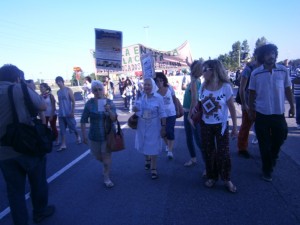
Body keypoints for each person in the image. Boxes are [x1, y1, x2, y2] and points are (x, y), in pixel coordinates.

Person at [0, 64, 55, 225]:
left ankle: (20, 221)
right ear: (17, 78)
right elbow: (42, 106)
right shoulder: (18, 89)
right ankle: (40, 211)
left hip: (3, 152)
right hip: (27, 146)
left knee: (14, 190)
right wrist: (28, 88)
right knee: (37, 182)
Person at [248, 43, 295, 182]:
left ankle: (273, 156)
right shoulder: (256, 73)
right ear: (263, 56)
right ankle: (267, 169)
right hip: (262, 113)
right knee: (264, 143)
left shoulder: (283, 71)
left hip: (278, 113)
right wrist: (251, 109)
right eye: (268, 54)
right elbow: (251, 93)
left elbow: (288, 89)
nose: (271, 56)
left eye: (273, 53)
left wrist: (292, 106)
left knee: (281, 137)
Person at [197, 59, 238, 193]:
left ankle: (226, 179)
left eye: (205, 70)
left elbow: (231, 107)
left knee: (223, 153)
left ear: (213, 70)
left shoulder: (226, 87)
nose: (202, 73)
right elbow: (200, 104)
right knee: (209, 152)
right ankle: (212, 176)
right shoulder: (203, 85)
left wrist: (235, 127)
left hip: (221, 125)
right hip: (205, 124)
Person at [81, 80, 117, 188]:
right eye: (95, 90)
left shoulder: (109, 102)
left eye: (100, 89)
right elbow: (83, 120)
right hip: (94, 136)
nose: (98, 92)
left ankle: (106, 176)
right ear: (92, 91)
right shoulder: (89, 104)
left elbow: (114, 119)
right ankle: (106, 164)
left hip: (107, 135)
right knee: (97, 156)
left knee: (106, 158)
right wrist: (84, 135)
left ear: (103, 89)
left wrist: (109, 110)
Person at [133, 77, 167, 179]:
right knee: (143, 143)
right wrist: (134, 109)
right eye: (145, 84)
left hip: (154, 125)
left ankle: (154, 168)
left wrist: (164, 126)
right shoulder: (140, 96)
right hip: (142, 124)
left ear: (153, 86)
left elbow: (162, 112)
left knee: (153, 145)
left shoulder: (158, 98)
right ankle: (147, 159)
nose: (146, 86)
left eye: (149, 85)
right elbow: (136, 108)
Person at [237, 50, 263, 158]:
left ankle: (266, 148)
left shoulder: (265, 68)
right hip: (249, 103)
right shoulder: (249, 69)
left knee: (264, 127)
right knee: (246, 126)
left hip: (262, 103)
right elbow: (242, 89)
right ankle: (242, 148)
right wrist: (244, 105)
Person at [182, 61, 205, 167]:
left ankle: (208, 166)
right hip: (188, 112)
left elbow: (194, 99)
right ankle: (193, 158)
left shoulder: (195, 82)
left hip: (191, 113)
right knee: (189, 138)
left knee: (198, 140)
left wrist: (190, 115)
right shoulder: (194, 80)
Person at [154, 72, 179, 159]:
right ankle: (168, 145)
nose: (159, 82)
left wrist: (177, 109)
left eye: (161, 80)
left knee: (170, 131)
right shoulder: (154, 92)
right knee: (163, 133)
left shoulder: (169, 88)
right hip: (160, 115)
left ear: (164, 80)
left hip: (171, 114)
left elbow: (174, 98)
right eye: (157, 81)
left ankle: (170, 151)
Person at [55, 76, 81, 151]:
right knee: (62, 130)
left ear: (62, 82)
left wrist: (72, 111)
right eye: (57, 82)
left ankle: (78, 136)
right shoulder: (58, 92)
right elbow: (60, 102)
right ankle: (63, 144)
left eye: (59, 81)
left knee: (73, 127)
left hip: (68, 112)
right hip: (61, 113)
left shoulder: (68, 90)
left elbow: (73, 101)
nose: (58, 83)